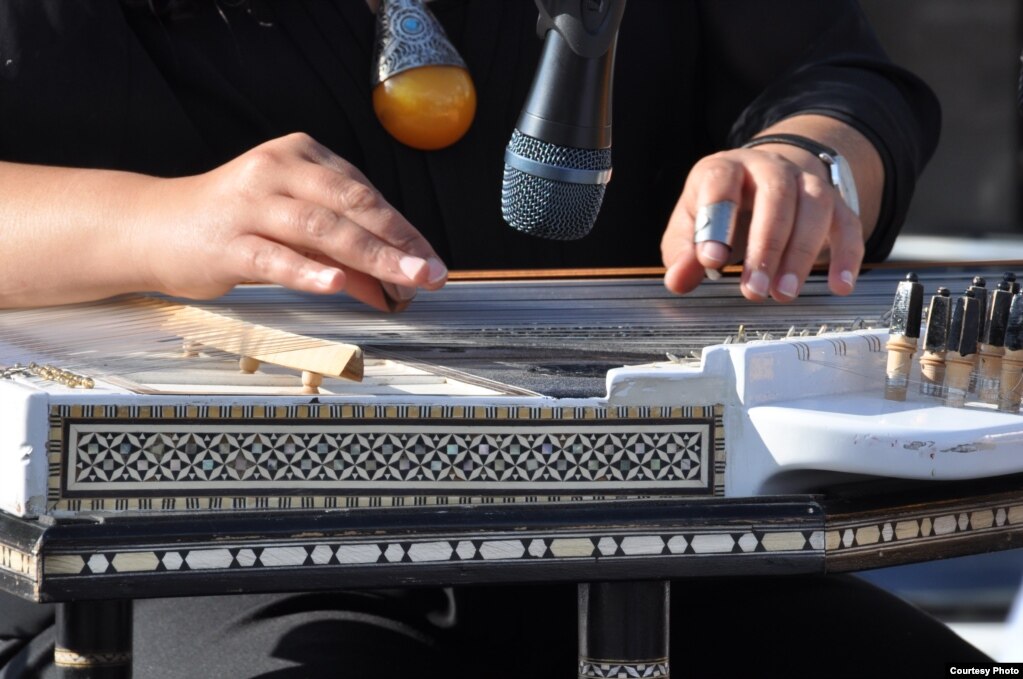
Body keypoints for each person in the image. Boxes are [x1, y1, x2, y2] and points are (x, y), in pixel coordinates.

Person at [0, 1, 986, 677]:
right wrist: (159, 218)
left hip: (650, 519)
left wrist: (805, 163)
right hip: (190, 545)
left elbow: (838, 73)